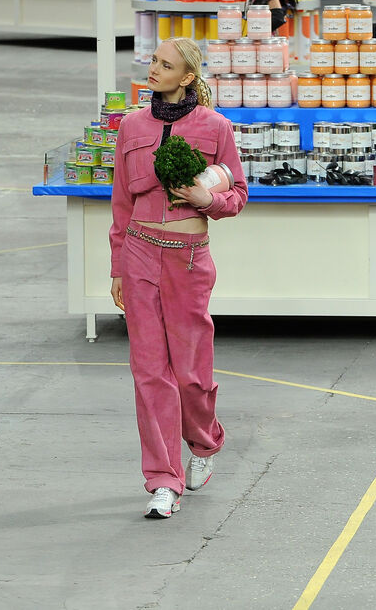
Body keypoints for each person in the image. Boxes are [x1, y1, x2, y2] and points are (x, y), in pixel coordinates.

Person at [109, 37, 248, 519]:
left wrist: (206, 198)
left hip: (189, 260)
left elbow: (238, 195)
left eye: (165, 65)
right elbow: (121, 204)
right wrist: (117, 266)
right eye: (153, 61)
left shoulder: (216, 127)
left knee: (191, 374)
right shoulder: (131, 125)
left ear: (187, 77)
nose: (154, 69)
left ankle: (204, 442)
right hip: (140, 254)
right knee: (149, 371)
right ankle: (163, 481)